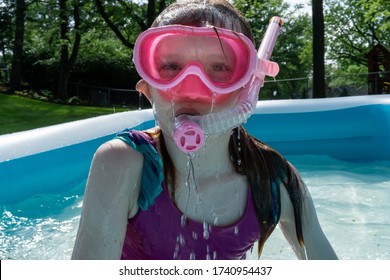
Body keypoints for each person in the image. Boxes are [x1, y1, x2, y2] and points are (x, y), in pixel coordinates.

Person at [72, 0, 338, 260]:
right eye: (171, 67)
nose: (192, 88)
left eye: (219, 68)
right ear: (148, 91)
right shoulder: (124, 165)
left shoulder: (275, 183)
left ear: (248, 90)